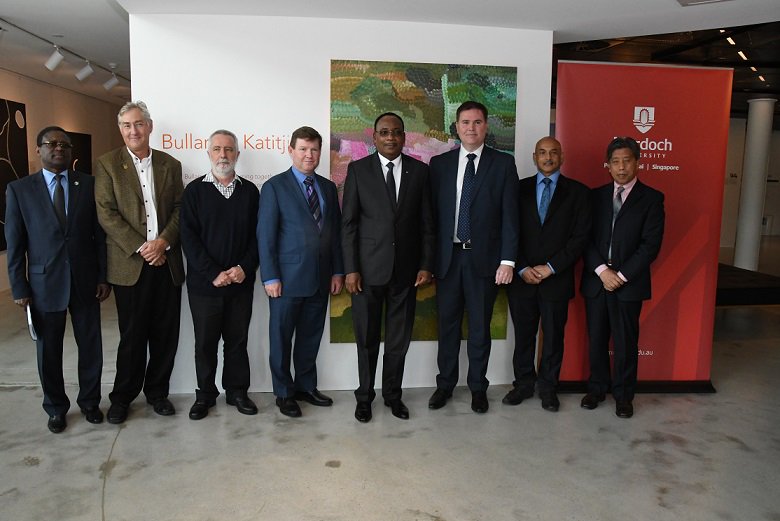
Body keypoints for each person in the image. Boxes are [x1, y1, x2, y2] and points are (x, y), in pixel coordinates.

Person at [5, 126, 111, 433]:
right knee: (48, 351)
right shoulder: (20, 190)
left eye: (64, 144)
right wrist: (19, 286)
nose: (59, 148)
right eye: (51, 144)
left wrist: (102, 276)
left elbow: (99, 236)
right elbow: (15, 243)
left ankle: (90, 402)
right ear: (38, 149)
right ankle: (55, 408)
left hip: (85, 281)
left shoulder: (88, 184)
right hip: (44, 285)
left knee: (90, 347)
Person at [95, 101, 185, 424]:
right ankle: (122, 398)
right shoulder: (107, 164)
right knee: (132, 337)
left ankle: (157, 393)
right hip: (130, 265)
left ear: (149, 126)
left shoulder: (170, 164)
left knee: (165, 334)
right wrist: (142, 247)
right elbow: (106, 213)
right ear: (120, 129)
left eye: (138, 124)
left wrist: (163, 242)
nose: (133, 131)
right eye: (126, 125)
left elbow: (180, 208)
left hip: (166, 262)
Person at [341, 112, 435, 423]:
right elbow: (349, 224)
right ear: (375, 137)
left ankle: (393, 396)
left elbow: (427, 224)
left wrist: (426, 264)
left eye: (396, 132)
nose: (390, 137)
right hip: (366, 274)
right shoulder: (358, 170)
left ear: (404, 136)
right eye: (384, 132)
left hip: (406, 273)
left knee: (398, 341)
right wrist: (351, 269)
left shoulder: (420, 172)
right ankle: (364, 397)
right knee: (366, 340)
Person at [428, 101, 520, 414]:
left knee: (480, 328)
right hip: (448, 260)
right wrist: (428, 261)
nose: (471, 128)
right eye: (465, 122)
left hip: (484, 262)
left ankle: (478, 388)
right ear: (456, 127)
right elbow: (431, 218)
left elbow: (510, 216)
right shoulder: (439, 165)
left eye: (477, 122)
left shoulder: (503, 164)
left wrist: (507, 261)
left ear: (486, 126)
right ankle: (445, 385)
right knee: (447, 327)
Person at [257, 126, 344, 418]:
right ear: (291, 150)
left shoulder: (328, 187)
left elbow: (334, 234)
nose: (309, 155)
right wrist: (270, 276)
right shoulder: (274, 187)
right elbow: (266, 236)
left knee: (310, 337)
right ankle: (284, 393)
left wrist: (337, 271)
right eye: (303, 149)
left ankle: (306, 387)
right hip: (286, 280)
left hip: (320, 277)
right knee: (281, 338)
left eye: (314, 149)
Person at [580, 136, 665, 418]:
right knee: (596, 339)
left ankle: (624, 396)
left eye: (627, 160)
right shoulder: (594, 197)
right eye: (615, 162)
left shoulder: (652, 199)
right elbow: (584, 238)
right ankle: (596, 389)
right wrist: (602, 271)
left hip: (629, 284)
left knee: (626, 343)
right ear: (607, 165)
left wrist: (621, 275)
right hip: (597, 281)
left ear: (637, 162)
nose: (621, 167)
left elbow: (650, 246)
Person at [505, 137, 591, 412]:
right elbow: (508, 230)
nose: (548, 157)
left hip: (557, 278)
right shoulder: (517, 190)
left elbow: (580, 238)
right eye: (542, 152)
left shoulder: (579, 193)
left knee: (553, 337)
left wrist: (552, 267)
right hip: (523, 278)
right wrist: (521, 267)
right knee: (524, 336)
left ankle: (548, 388)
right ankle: (523, 384)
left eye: (554, 152)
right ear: (535, 157)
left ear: (562, 157)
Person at [180, 130, 259, 420]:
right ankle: (205, 395)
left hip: (240, 285)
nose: (223, 155)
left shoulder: (250, 192)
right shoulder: (194, 191)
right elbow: (188, 238)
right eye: (217, 149)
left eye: (228, 149)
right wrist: (214, 273)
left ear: (237, 154)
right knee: (205, 344)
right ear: (208, 153)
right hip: (205, 286)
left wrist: (243, 268)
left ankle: (237, 392)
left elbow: (258, 237)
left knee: (237, 342)